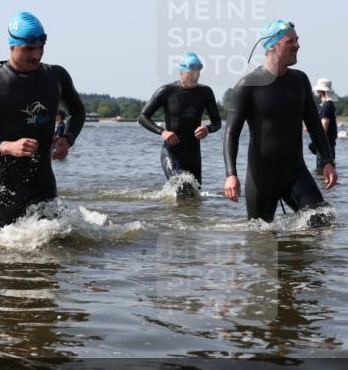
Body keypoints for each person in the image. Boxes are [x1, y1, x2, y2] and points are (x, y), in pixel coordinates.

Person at [0, 11, 86, 235]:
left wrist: (68, 139)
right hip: (1, 193)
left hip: (43, 188)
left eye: (41, 47)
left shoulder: (55, 76)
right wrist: (6, 146)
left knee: (54, 257)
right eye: (29, 49)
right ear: (12, 46)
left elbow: (77, 111)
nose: (37, 55)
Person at [223, 20, 337, 224]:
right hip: (262, 177)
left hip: (295, 172)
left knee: (323, 222)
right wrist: (231, 175)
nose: (297, 45)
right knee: (260, 239)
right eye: (290, 41)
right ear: (272, 46)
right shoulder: (248, 85)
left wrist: (327, 161)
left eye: (297, 40)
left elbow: (314, 125)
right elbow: (231, 133)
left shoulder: (300, 81)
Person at [138, 52, 221, 197]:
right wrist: (163, 132)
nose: (194, 78)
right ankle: (174, 219)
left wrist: (207, 129)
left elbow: (217, 122)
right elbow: (142, 117)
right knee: (183, 186)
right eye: (191, 74)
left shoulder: (205, 92)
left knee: (194, 197)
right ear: (182, 72)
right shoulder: (167, 91)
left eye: (197, 74)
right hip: (172, 152)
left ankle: (184, 218)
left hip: (194, 155)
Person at [314, 79, 337, 172]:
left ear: (321, 92)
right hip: (328, 145)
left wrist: (317, 143)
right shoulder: (328, 105)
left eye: (318, 91)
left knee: (322, 172)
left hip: (325, 147)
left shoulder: (326, 106)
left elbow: (325, 125)